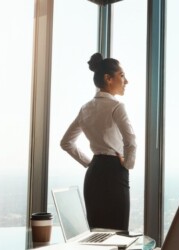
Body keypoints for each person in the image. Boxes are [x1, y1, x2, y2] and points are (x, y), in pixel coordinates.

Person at [60, 52, 136, 232]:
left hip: (94, 174)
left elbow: (66, 143)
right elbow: (130, 140)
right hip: (115, 172)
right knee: (118, 233)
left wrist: (89, 163)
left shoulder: (86, 108)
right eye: (122, 75)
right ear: (108, 78)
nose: (126, 81)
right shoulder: (117, 106)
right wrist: (128, 164)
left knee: (96, 235)